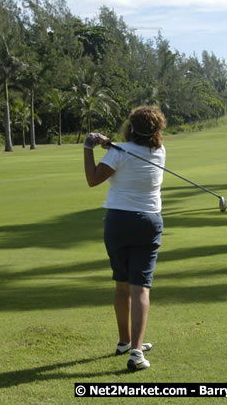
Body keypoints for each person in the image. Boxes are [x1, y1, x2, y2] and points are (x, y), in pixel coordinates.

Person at [83, 105, 166, 371]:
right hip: (148, 222)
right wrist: (109, 144)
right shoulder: (159, 151)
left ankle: (127, 343)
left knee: (122, 285)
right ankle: (134, 350)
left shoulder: (121, 154)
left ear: (131, 127)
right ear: (157, 129)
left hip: (118, 222)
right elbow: (129, 149)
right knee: (140, 287)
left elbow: (93, 179)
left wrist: (88, 148)